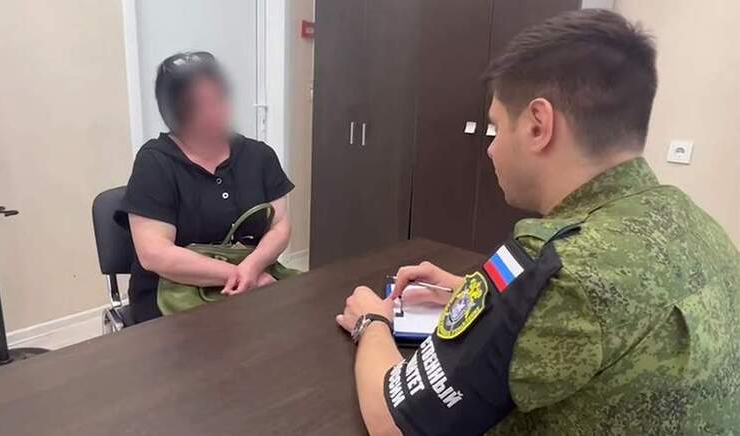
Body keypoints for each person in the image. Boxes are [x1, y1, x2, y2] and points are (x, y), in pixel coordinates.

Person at [336, 9, 740, 435]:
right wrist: (478, 298)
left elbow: (395, 423)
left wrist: (372, 322)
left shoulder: (557, 267)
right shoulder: (697, 223)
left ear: (538, 125)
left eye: (496, 127)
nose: (491, 148)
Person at [119, 52, 294, 323]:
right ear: (173, 111)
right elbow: (154, 254)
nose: (213, 113)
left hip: (253, 281)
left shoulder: (259, 156)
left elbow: (280, 225)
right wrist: (239, 276)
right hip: (172, 296)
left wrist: (253, 266)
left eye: (218, 100)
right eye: (197, 106)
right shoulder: (154, 163)